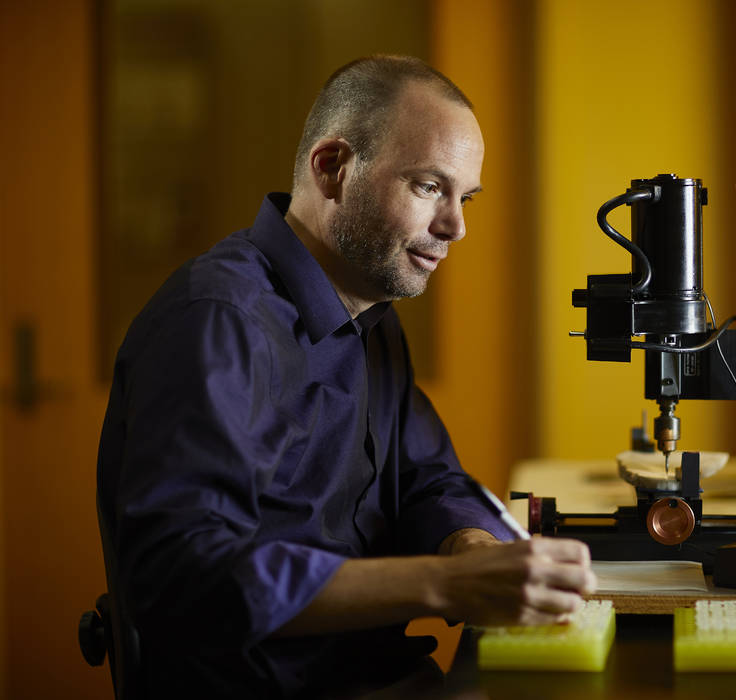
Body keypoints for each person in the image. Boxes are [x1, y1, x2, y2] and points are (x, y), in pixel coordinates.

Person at [96, 55, 597, 698]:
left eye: (464, 198)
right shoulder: (217, 320)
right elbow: (183, 575)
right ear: (333, 169)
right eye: (427, 187)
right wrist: (446, 586)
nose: (455, 227)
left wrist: (470, 549)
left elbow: (427, 480)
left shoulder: (373, 318)